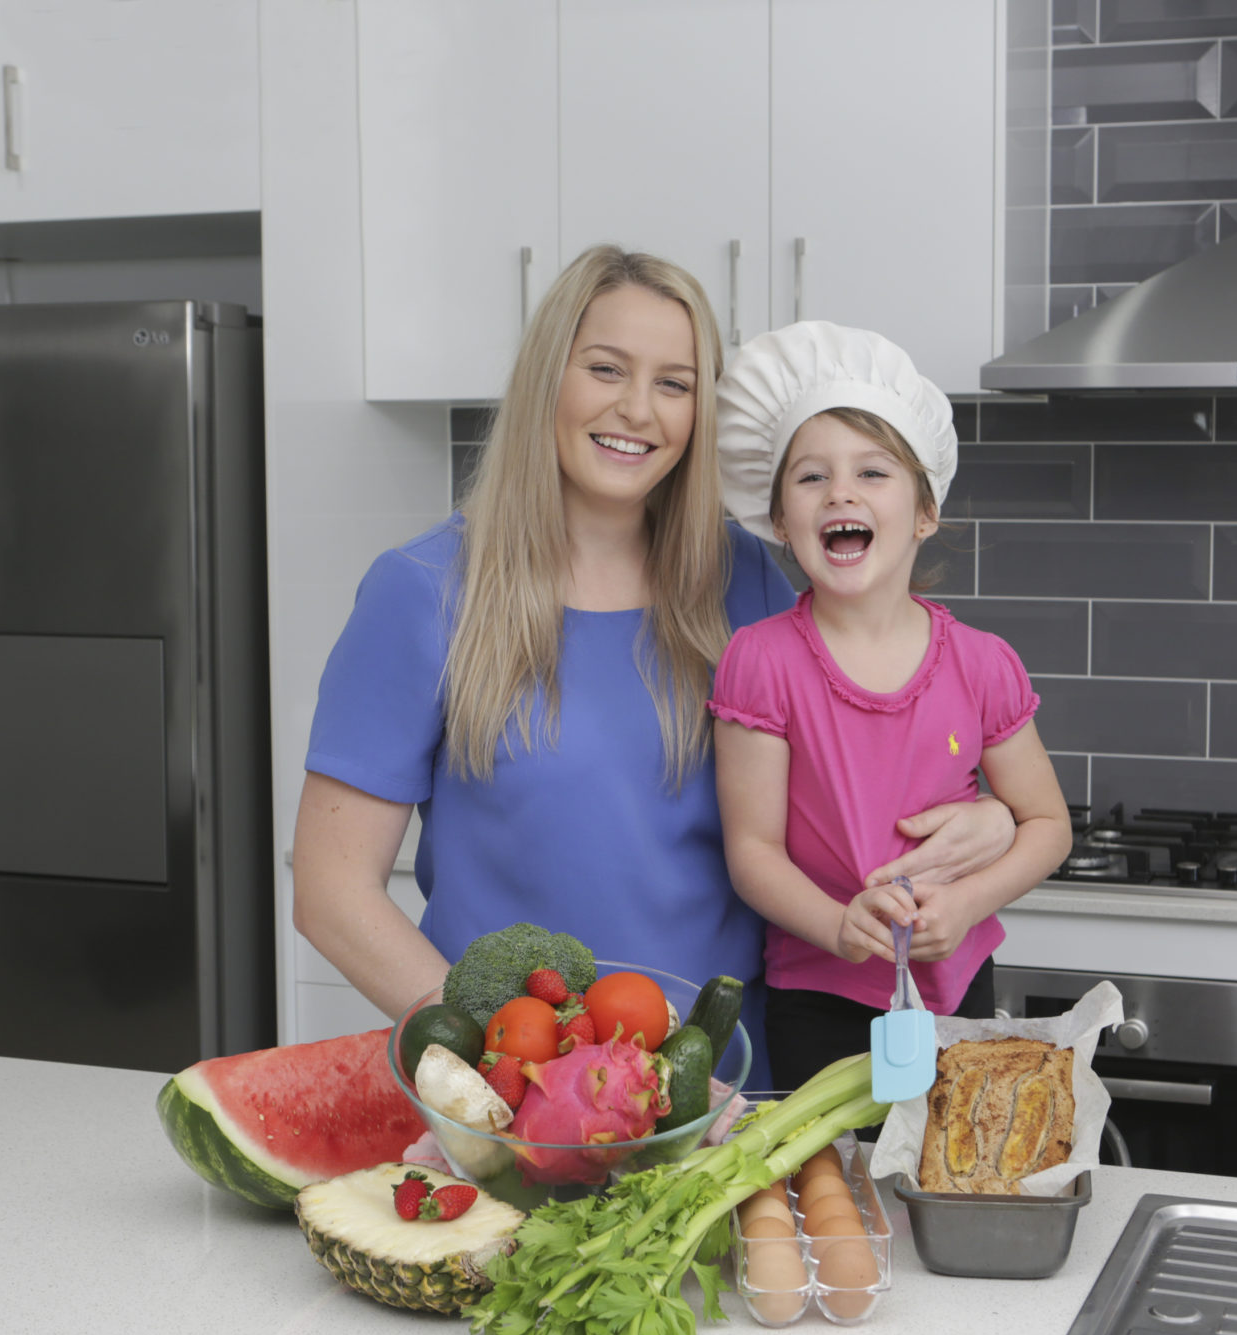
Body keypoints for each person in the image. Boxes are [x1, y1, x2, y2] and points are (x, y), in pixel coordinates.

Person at [292, 246, 1019, 1089]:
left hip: (736, 1088)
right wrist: (492, 1061)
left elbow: (865, 767)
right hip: (523, 1093)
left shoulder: (744, 577)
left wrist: (998, 820)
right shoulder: (422, 594)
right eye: (606, 368)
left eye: (674, 384)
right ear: (546, 380)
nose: (637, 410)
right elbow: (331, 890)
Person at [709, 321, 1075, 1092]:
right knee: (836, 1197)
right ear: (780, 521)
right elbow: (752, 851)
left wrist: (967, 904)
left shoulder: (983, 664)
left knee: (942, 1176)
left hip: (957, 991)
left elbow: (1048, 827)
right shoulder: (761, 661)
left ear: (924, 513)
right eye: (810, 478)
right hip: (817, 996)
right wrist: (837, 926)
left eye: (872, 472)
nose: (840, 491)